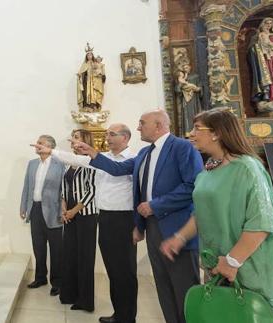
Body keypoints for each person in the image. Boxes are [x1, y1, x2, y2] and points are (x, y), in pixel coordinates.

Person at [160, 108, 273, 322]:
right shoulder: (208, 171)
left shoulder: (248, 168)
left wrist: (232, 261)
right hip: (219, 262)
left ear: (217, 133)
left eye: (197, 128)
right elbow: (202, 213)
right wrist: (179, 238)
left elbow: (261, 223)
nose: (190, 134)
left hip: (248, 265)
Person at [72, 110, 203, 323]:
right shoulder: (143, 153)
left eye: (142, 123)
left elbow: (193, 186)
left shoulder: (182, 147)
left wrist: (155, 205)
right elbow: (116, 169)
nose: (139, 127)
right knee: (163, 286)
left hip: (177, 227)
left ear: (159, 125)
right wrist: (92, 153)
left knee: (184, 288)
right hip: (152, 227)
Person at [33, 124, 138, 323]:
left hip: (123, 219)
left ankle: (127, 317)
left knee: (125, 272)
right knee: (114, 272)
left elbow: (116, 170)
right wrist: (51, 151)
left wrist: (91, 152)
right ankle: (120, 315)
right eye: (107, 134)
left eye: (112, 134)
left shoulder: (134, 157)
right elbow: (75, 159)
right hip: (105, 218)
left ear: (125, 138)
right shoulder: (104, 157)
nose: (107, 137)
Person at [20, 135, 65, 296]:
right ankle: (40, 278)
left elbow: (63, 190)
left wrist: (62, 211)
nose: (37, 145)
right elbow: (27, 186)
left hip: (53, 211)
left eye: (40, 143)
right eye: (37, 142)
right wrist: (23, 206)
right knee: (38, 246)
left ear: (49, 146)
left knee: (56, 249)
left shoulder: (59, 164)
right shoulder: (32, 164)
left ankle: (57, 282)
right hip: (35, 209)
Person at [58, 129, 97, 312]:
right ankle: (69, 294)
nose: (72, 141)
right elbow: (64, 188)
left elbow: (92, 190)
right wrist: (64, 208)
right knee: (70, 254)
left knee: (85, 258)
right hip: (70, 214)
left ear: (85, 140)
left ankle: (85, 300)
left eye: (76, 138)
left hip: (85, 214)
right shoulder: (69, 163)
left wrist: (74, 210)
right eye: (72, 138)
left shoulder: (91, 161)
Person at [175, 63, 202, 137]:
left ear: (190, 67)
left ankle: (198, 131)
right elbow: (177, 90)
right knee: (187, 116)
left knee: (195, 114)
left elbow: (200, 88)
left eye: (187, 67)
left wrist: (196, 88)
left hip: (194, 99)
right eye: (184, 68)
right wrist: (181, 84)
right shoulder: (182, 78)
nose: (186, 69)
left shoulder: (195, 77)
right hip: (186, 100)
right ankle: (187, 132)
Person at [77, 44, 105, 111]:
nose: (89, 56)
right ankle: (86, 106)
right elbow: (81, 72)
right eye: (88, 55)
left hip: (94, 82)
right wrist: (80, 75)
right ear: (86, 56)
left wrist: (101, 75)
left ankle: (94, 106)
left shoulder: (95, 63)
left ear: (92, 56)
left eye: (91, 55)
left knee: (94, 93)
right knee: (86, 93)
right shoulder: (84, 64)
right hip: (86, 82)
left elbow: (99, 71)